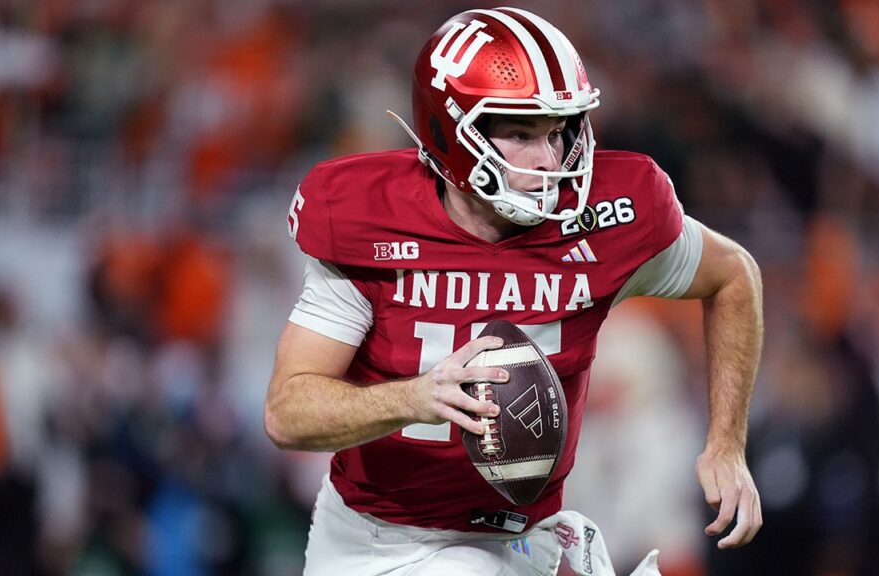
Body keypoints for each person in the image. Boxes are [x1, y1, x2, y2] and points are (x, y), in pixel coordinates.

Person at [265, 7, 763, 575]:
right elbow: (287, 413)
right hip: (379, 542)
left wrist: (727, 443)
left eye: (557, 131)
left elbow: (733, 275)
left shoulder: (607, 215)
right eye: (521, 134)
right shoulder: (368, 217)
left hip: (524, 536)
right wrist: (414, 398)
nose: (549, 159)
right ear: (450, 132)